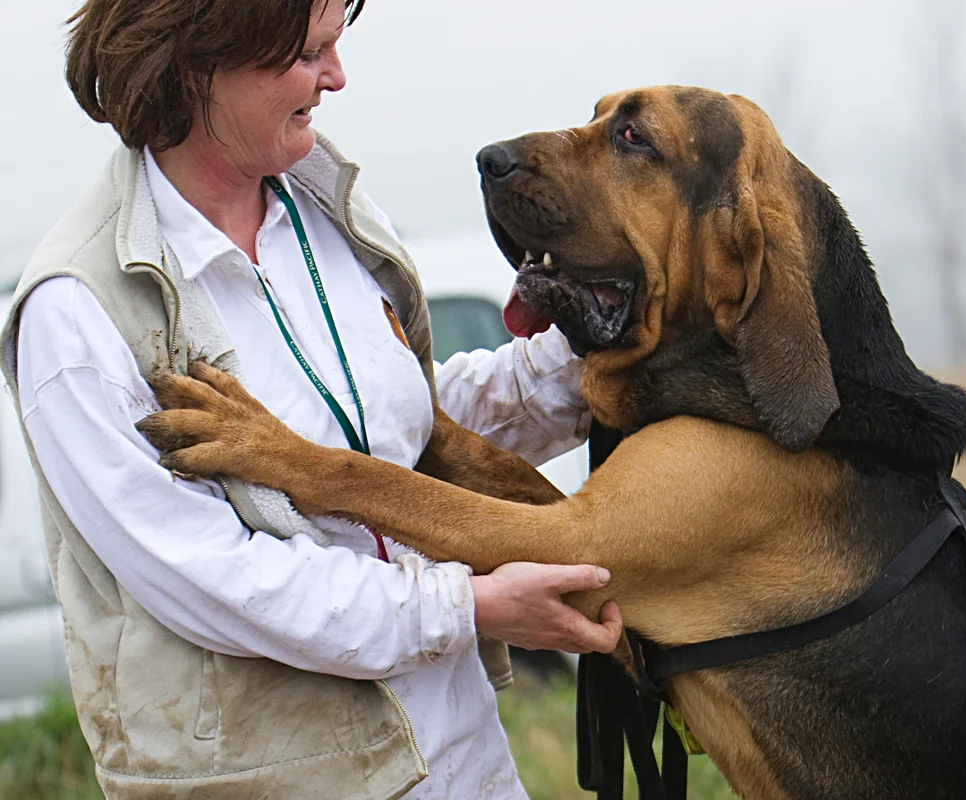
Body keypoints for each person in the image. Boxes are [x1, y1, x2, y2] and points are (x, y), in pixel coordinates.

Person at [0, 1, 622, 798]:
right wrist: (465, 608)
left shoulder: (331, 211)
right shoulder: (79, 312)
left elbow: (404, 434)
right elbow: (219, 583)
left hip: (463, 760)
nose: (336, 76)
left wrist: (590, 368)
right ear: (198, 66)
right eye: (308, 54)